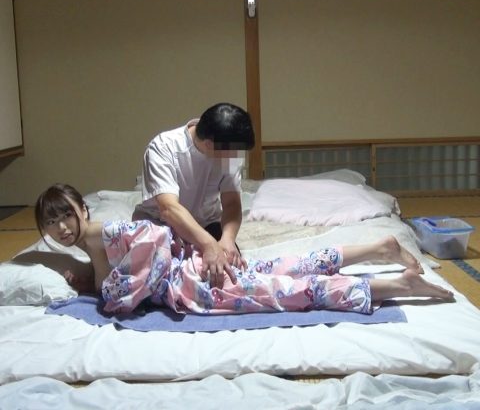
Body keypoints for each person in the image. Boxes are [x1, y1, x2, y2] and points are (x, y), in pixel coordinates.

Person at [33, 183, 454, 316]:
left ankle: (399, 285)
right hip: (195, 271)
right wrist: (90, 280)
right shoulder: (90, 243)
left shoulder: (101, 231)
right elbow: (120, 268)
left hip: (196, 283)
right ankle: (378, 249)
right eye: (51, 222)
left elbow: (155, 240)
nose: (61, 227)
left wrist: (112, 291)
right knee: (288, 267)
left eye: (66, 215)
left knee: (289, 292)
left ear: (83, 209)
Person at [132, 102, 255, 289]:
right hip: (160, 224)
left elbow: (231, 203)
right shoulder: (164, 147)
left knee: (230, 276)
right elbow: (168, 208)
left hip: (206, 223)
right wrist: (208, 244)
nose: (235, 156)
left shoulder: (228, 152)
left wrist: (227, 239)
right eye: (232, 152)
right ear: (209, 144)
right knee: (159, 280)